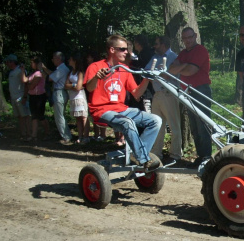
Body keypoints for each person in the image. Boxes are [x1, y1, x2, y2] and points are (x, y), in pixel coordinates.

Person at [84, 34, 162, 172]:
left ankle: (136, 155)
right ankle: (143, 159)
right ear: (112, 50)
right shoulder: (95, 66)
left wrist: (147, 79)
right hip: (101, 111)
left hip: (121, 109)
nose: (127, 52)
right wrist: (97, 77)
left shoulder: (124, 69)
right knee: (127, 122)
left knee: (156, 120)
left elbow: (137, 93)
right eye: (122, 49)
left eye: (126, 49)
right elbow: (89, 88)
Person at [169, 27, 212, 166]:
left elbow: (191, 71)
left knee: (202, 124)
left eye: (190, 37)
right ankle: (201, 156)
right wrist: (184, 65)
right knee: (193, 126)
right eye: (185, 38)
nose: (187, 40)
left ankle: (206, 157)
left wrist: (182, 67)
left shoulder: (200, 50)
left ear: (195, 36)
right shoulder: (182, 53)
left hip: (201, 90)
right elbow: (171, 69)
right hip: (188, 92)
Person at [145, 35, 182, 163]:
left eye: (156, 43)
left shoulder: (174, 57)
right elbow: (147, 73)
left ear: (164, 44)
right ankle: (156, 153)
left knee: (174, 126)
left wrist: (157, 74)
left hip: (169, 94)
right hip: (157, 94)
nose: (154, 46)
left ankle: (175, 155)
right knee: (157, 125)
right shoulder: (155, 57)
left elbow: (167, 76)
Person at [42, 52, 72, 145]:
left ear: (59, 59)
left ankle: (66, 137)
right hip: (60, 92)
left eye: (54, 58)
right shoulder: (61, 69)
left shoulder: (62, 69)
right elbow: (52, 74)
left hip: (59, 93)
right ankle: (65, 135)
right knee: (60, 115)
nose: (52, 60)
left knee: (59, 116)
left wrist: (41, 70)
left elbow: (49, 78)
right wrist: (44, 68)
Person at [20, 56, 50, 141]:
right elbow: (24, 80)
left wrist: (28, 85)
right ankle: (34, 135)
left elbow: (31, 86)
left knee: (40, 116)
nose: (31, 64)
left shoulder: (39, 74)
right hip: (32, 97)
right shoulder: (32, 73)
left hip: (40, 97)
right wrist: (22, 70)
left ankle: (47, 132)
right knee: (34, 116)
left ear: (36, 64)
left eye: (32, 62)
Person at [5, 54, 32, 141]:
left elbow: (26, 84)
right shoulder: (11, 72)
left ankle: (29, 134)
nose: (6, 64)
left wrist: (24, 97)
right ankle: (23, 133)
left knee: (26, 116)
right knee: (19, 117)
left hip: (21, 97)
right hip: (13, 97)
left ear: (12, 62)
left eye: (8, 62)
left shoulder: (20, 71)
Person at [65, 53, 90, 144]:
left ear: (74, 60)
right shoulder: (70, 72)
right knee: (77, 118)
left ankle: (86, 137)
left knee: (83, 117)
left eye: (70, 59)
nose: (68, 61)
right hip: (73, 97)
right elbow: (65, 85)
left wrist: (72, 86)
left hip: (80, 97)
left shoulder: (80, 72)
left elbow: (79, 87)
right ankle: (80, 136)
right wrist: (74, 85)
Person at [84, 50, 106, 141]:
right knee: (93, 116)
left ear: (93, 58)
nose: (87, 59)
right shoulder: (90, 68)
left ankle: (103, 135)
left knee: (103, 115)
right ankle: (96, 135)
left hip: (100, 94)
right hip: (91, 93)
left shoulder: (100, 67)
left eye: (89, 57)